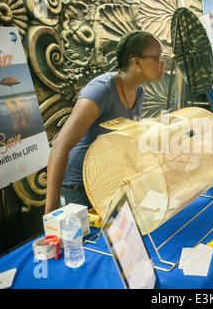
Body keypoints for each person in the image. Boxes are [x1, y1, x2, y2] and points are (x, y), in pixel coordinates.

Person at [45, 30, 166, 214]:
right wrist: (51, 212)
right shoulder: (101, 91)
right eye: (158, 57)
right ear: (137, 62)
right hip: (77, 185)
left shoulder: (139, 93)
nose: (163, 63)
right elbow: (59, 146)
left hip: (103, 180)